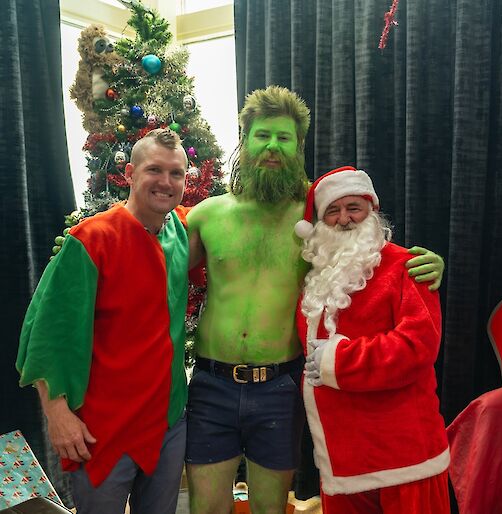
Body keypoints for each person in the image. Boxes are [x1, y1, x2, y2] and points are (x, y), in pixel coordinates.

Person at [185, 86, 446, 514]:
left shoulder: (315, 211)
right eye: (262, 135)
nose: (272, 146)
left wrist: (432, 262)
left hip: (279, 386)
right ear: (245, 142)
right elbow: (157, 272)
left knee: (271, 507)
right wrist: (91, 247)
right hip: (212, 383)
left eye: (283, 138)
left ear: (297, 147)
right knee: (205, 508)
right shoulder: (207, 214)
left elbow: (368, 246)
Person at [16, 129, 190, 514]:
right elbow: (46, 334)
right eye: (154, 170)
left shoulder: (179, 230)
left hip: (167, 423)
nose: (165, 182)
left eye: (176, 173)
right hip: (102, 430)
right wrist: (58, 415)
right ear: (129, 173)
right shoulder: (90, 241)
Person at [294, 166, 450, 514]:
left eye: (354, 208)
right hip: (343, 457)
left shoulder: (407, 265)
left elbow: (417, 348)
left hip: (403, 456)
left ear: (371, 212)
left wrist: (337, 361)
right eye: (332, 211)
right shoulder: (315, 281)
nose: (344, 219)